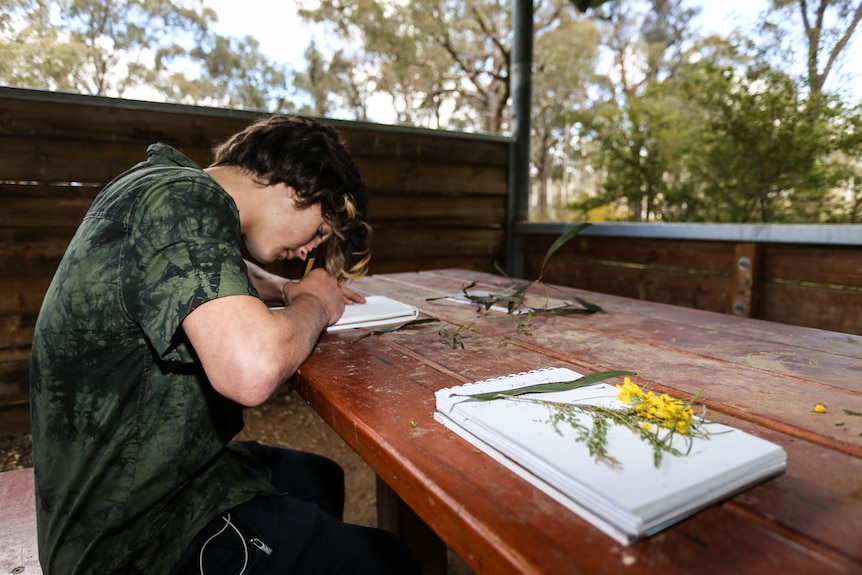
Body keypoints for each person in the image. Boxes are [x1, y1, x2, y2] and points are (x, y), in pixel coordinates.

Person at [29, 115, 420, 574]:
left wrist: (281, 289)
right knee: (390, 563)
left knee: (320, 477)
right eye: (318, 231)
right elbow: (250, 370)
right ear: (298, 186)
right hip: (132, 539)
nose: (306, 252)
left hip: (143, 476)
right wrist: (314, 303)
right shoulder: (181, 199)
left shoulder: (161, 190)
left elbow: (208, 268)